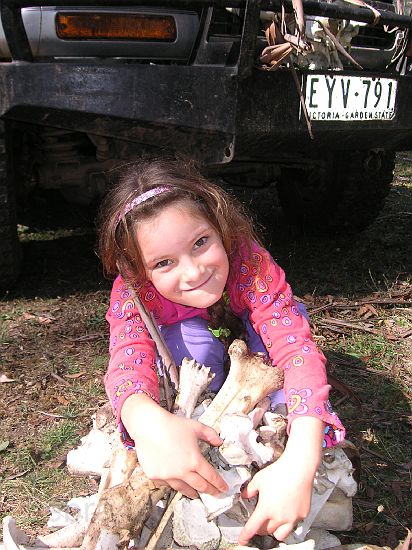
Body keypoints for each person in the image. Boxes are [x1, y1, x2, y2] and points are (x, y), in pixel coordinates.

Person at [97, 157, 345, 544]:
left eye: (200, 243)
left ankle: (277, 410)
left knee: (289, 322)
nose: (193, 271)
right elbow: (127, 358)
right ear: (139, 268)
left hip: (252, 329)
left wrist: (302, 456)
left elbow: (293, 343)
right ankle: (212, 391)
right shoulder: (133, 292)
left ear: (220, 225)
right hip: (194, 339)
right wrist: (146, 422)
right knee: (190, 346)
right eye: (164, 262)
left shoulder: (246, 258)